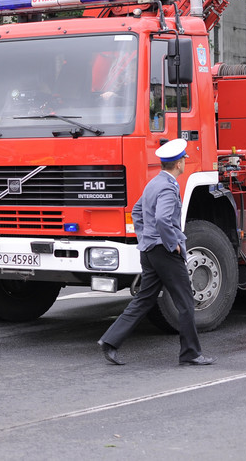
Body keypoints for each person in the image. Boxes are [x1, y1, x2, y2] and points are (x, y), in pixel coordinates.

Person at [98, 139, 215, 366]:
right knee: (185, 302)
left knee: (144, 299)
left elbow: (137, 211)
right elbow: (162, 219)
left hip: (149, 250)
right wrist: (174, 244)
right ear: (179, 163)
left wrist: (145, 238)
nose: (183, 163)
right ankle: (190, 353)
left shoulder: (153, 183)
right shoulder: (169, 187)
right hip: (165, 252)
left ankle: (110, 341)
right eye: (183, 160)